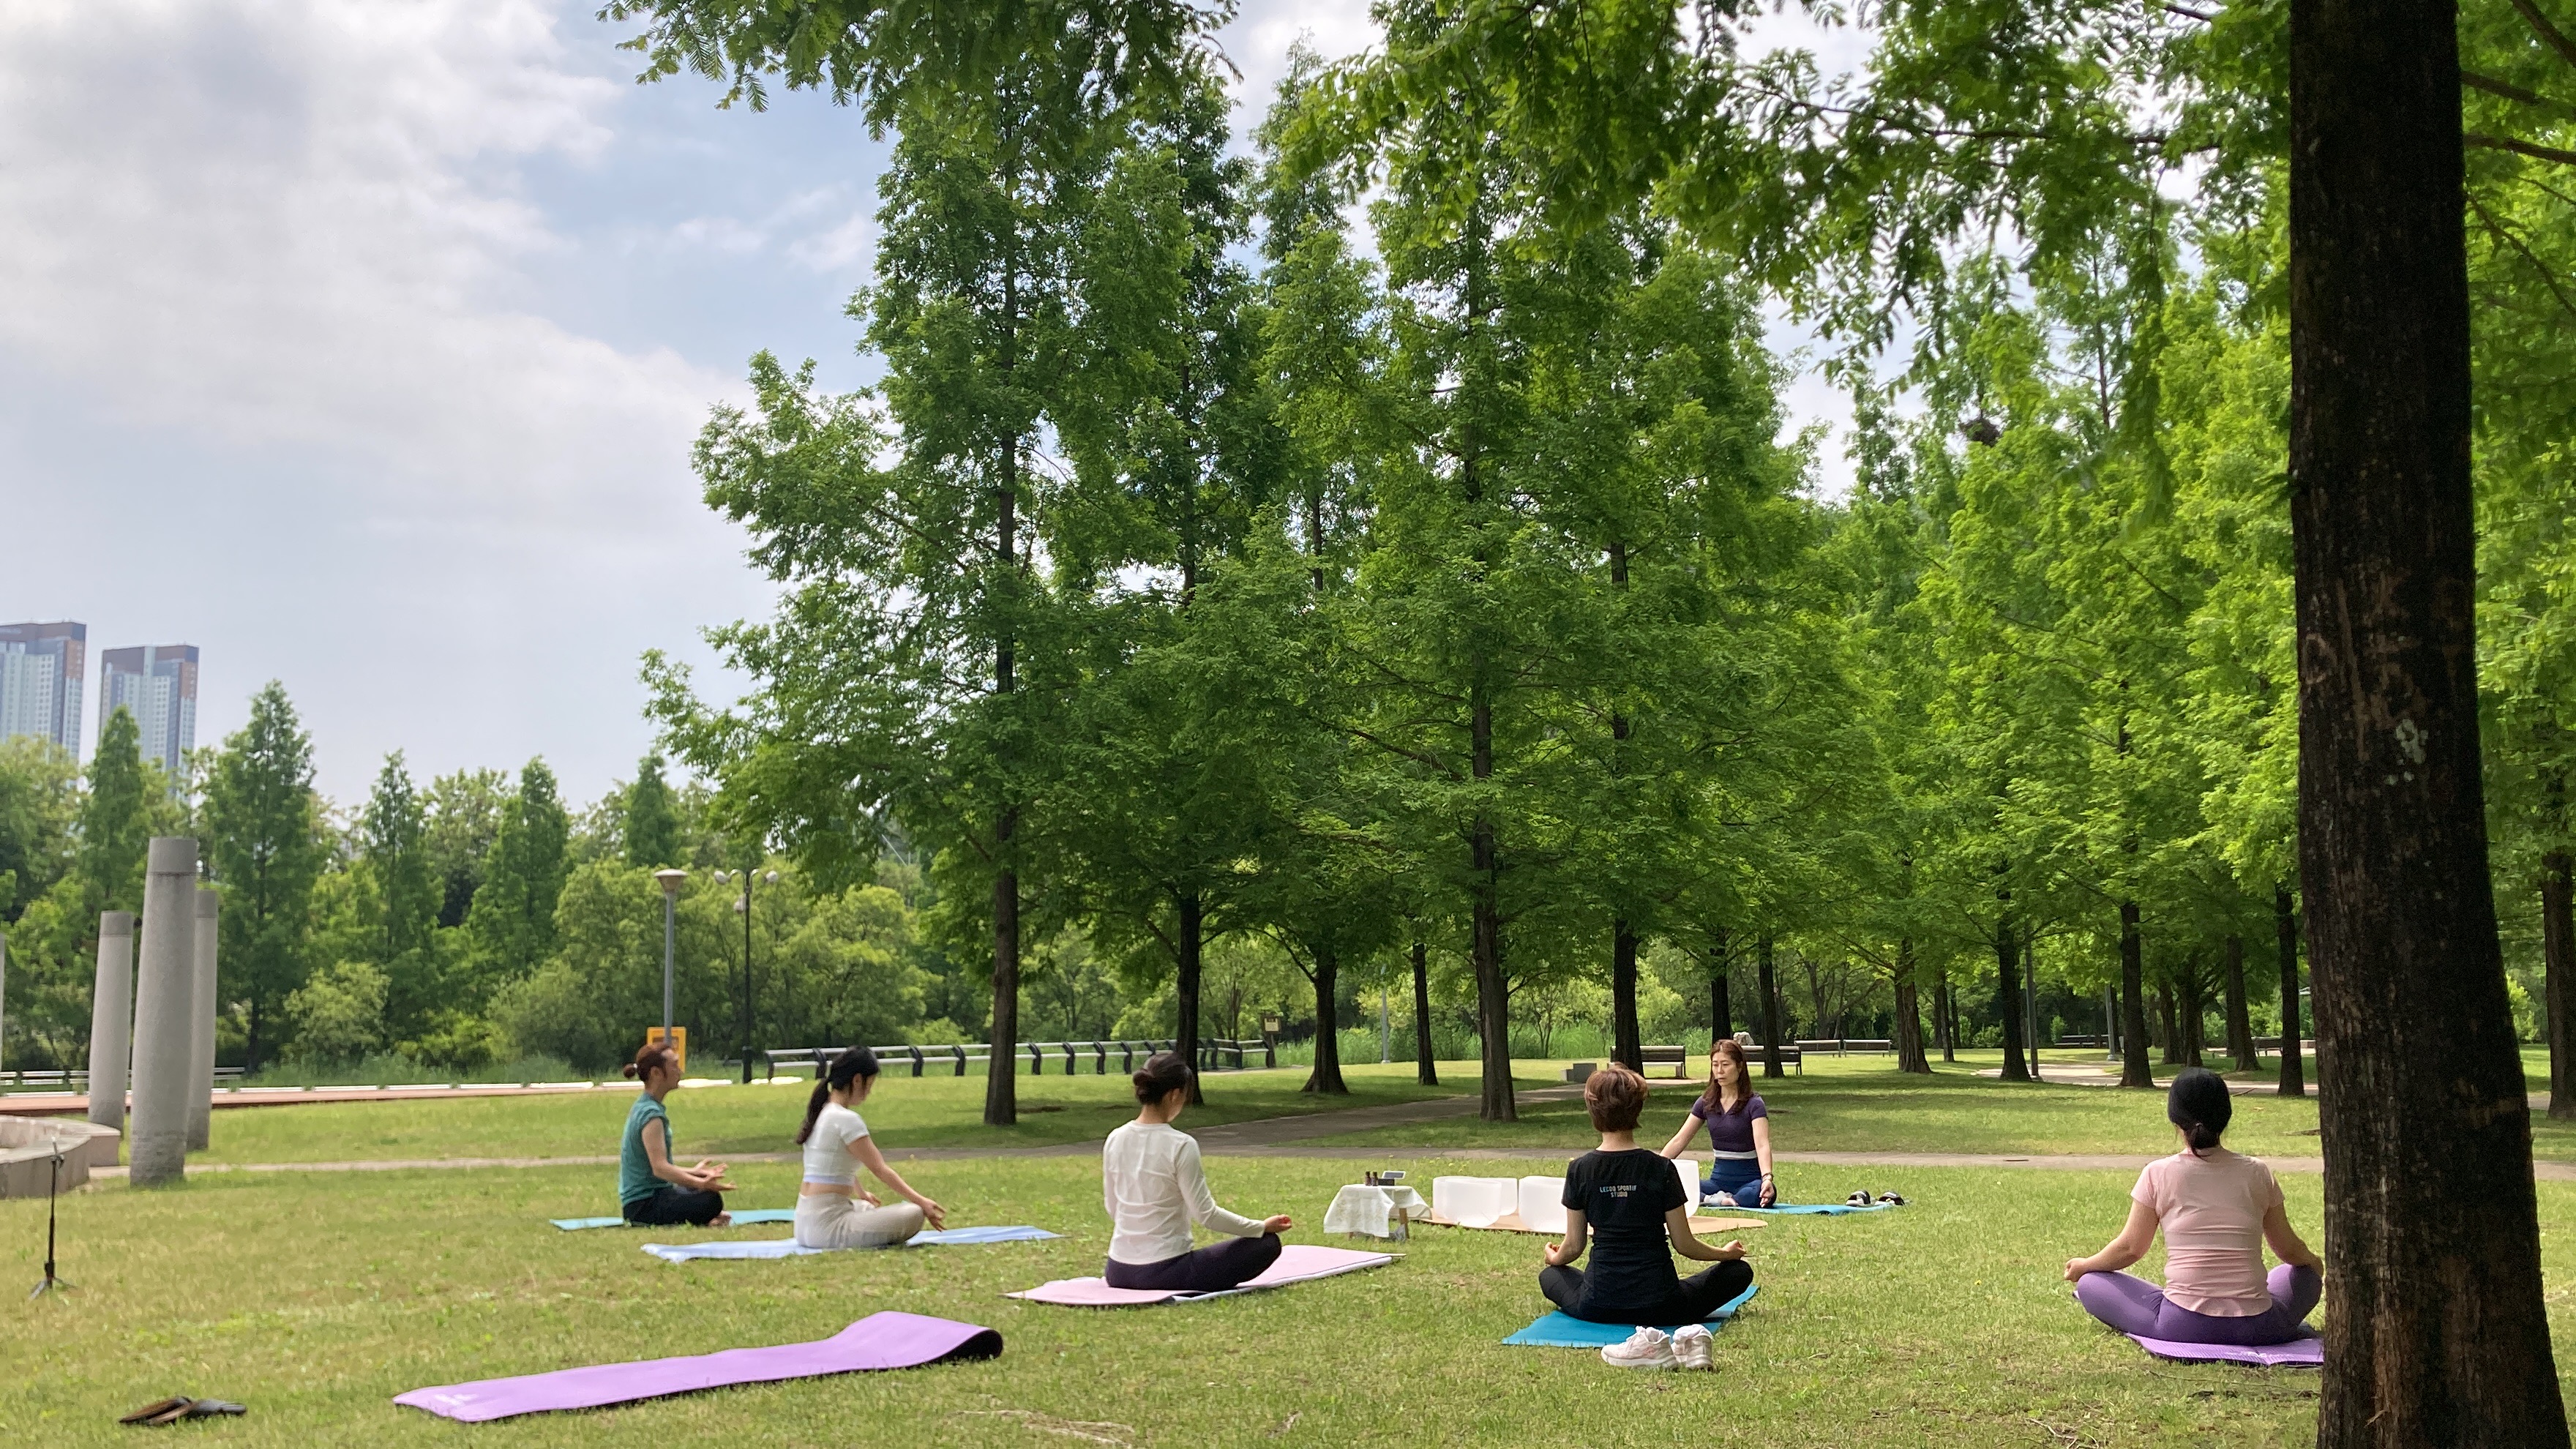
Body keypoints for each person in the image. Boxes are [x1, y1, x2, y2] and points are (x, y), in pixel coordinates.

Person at [2064, 1067, 2324, 1345]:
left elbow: (2130, 1249)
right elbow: (2289, 1250)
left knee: (2091, 1282)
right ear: (2226, 1117)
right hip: (2260, 1327)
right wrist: (2314, 1264)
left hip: (2183, 1325)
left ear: (2175, 1120)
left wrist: (2084, 1265)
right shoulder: (2258, 1172)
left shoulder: (2157, 1173)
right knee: (2303, 1275)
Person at [1544, 1064, 1753, 1370]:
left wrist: (1553, 1259)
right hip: (1663, 1305)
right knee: (1738, 1272)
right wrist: (1725, 1254)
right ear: (1638, 1109)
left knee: (1549, 1276)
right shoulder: (1661, 1168)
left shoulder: (1580, 1169)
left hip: (1598, 1303)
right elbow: (1685, 1244)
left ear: (1592, 1109)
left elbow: (1573, 1247)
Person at [1101, 1052, 1292, 1292]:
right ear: (1175, 1094)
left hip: (1118, 1271)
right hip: (1166, 1272)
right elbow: (1207, 1216)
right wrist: (1259, 1227)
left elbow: (1113, 1207)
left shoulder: (1115, 1138)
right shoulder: (1181, 1144)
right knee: (1266, 1245)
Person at [793, 1046, 946, 1249]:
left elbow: (835, 1163)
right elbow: (880, 1169)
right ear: (857, 1080)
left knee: (865, 1206)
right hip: (826, 1228)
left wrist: (861, 1193)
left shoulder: (822, 1114)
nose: (869, 1092)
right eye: (870, 1084)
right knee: (913, 1214)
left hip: (804, 1224)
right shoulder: (846, 1119)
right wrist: (922, 1202)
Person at [619, 1041, 733, 1227]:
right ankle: (708, 1219)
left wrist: (695, 1173)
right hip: (643, 1206)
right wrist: (700, 1184)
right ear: (656, 1073)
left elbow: (660, 1168)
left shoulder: (647, 1107)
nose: (679, 1071)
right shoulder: (650, 1115)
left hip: (653, 1197)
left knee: (701, 1194)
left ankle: (707, 1216)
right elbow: (660, 1168)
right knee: (710, 1200)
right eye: (674, 1066)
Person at [1657, 1038, 1777, 1208]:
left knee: (1758, 1193)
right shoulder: (1705, 1103)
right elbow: (1680, 1139)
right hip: (1717, 1184)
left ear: (1740, 1067)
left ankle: (1725, 1199)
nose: (1719, 1071)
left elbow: (1762, 1144)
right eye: (1715, 1065)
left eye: (1725, 1065)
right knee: (1677, 1185)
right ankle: (1718, 1200)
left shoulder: (1754, 1104)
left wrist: (1767, 1178)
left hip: (1749, 1183)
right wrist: (1655, 1170)